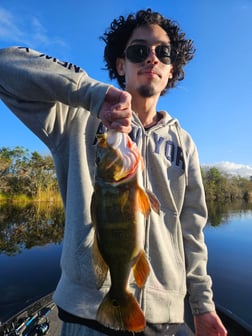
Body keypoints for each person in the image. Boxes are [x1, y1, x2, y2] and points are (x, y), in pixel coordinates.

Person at [0, 8, 227, 336]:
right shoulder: (79, 118)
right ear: (121, 65)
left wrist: (203, 306)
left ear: (171, 68)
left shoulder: (184, 143)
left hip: (165, 319)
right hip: (88, 313)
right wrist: (92, 94)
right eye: (138, 51)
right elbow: (6, 65)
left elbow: (191, 229)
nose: (151, 58)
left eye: (162, 52)